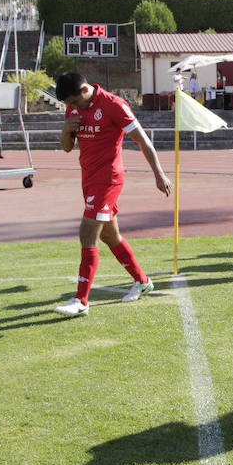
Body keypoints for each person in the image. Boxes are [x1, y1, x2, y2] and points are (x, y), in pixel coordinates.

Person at [53, 72, 173, 316]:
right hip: (88, 178)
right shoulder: (73, 109)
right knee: (110, 235)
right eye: (69, 105)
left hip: (108, 179)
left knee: (87, 233)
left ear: (85, 89)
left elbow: (143, 141)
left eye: (75, 102)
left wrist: (159, 174)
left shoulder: (114, 105)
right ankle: (142, 281)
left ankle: (81, 301)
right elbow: (67, 148)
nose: (73, 108)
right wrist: (66, 130)